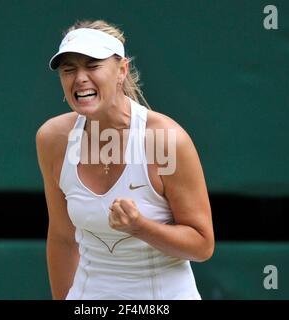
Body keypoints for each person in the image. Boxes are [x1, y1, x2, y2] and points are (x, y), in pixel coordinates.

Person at [36, 19, 214, 300]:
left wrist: (140, 227)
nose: (79, 78)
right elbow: (62, 237)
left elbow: (202, 245)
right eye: (69, 70)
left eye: (92, 66)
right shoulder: (52, 139)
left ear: (121, 71)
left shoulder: (166, 139)